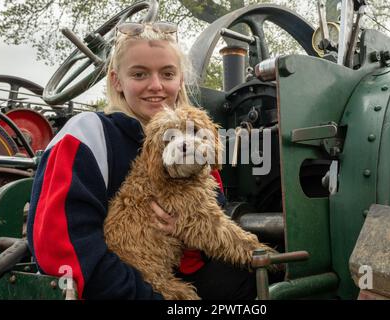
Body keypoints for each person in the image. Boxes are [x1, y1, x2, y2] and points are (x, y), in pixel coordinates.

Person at [27, 21, 257, 300]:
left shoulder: (193, 140)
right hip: (122, 288)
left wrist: (186, 230)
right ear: (116, 81)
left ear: (180, 80)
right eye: (139, 74)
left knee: (256, 277)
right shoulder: (87, 134)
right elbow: (60, 245)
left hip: (184, 276)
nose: (156, 86)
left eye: (168, 73)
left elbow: (212, 208)